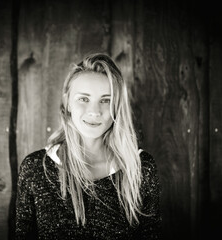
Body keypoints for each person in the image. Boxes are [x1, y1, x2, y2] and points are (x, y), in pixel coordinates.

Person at [15, 53, 161, 239]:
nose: (94, 111)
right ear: (67, 102)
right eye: (84, 99)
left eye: (106, 100)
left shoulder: (140, 169)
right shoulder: (36, 168)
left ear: (117, 106)